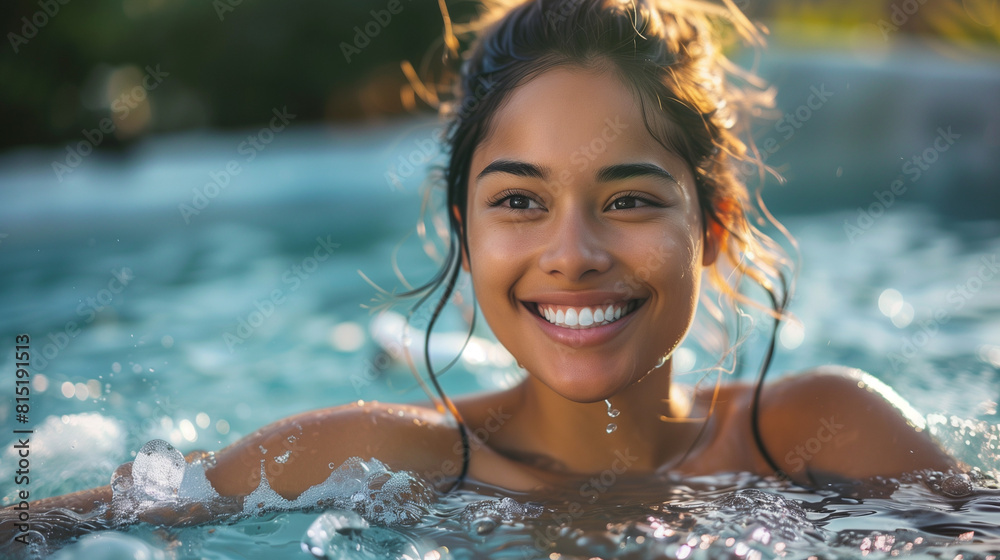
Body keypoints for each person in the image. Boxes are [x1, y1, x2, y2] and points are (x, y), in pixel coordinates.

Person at [3, 0, 957, 546]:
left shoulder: (823, 433)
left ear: (711, 223)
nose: (573, 253)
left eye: (628, 199)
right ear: (461, 228)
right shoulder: (371, 458)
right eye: (519, 201)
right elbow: (50, 526)